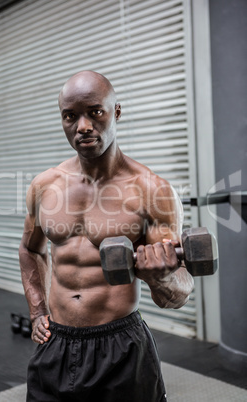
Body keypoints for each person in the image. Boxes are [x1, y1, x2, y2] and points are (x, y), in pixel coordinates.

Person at [19, 70, 194, 402]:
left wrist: (161, 278)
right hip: (55, 341)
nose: (83, 126)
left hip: (120, 345)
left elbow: (177, 294)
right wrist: (38, 311)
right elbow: (31, 249)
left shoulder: (151, 190)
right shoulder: (45, 185)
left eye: (95, 112)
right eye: (70, 116)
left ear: (116, 112)